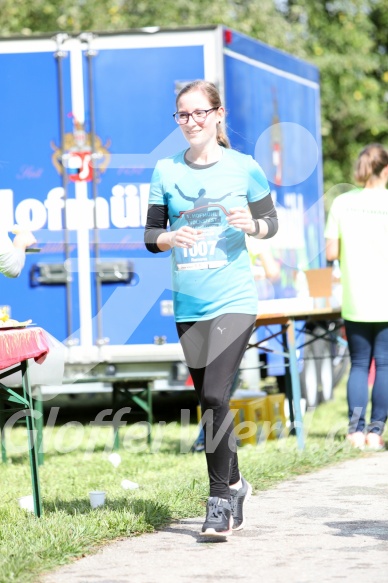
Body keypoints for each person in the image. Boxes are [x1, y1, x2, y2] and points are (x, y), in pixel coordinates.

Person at [144, 80, 278, 537]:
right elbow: (150, 236)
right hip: (189, 303)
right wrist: (169, 238)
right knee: (209, 401)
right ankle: (237, 482)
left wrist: (253, 225)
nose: (192, 122)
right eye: (183, 114)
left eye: (200, 113)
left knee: (217, 395)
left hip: (234, 299)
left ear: (218, 115)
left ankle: (218, 499)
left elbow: (271, 222)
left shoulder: (244, 168)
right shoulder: (165, 170)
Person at [325, 143, 388, 451]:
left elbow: (331, 252)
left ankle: (355, 432)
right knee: (386, 365)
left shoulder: (342, 203)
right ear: (386, 170)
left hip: (356, 296)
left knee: (359, 363)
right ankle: (376, 433)